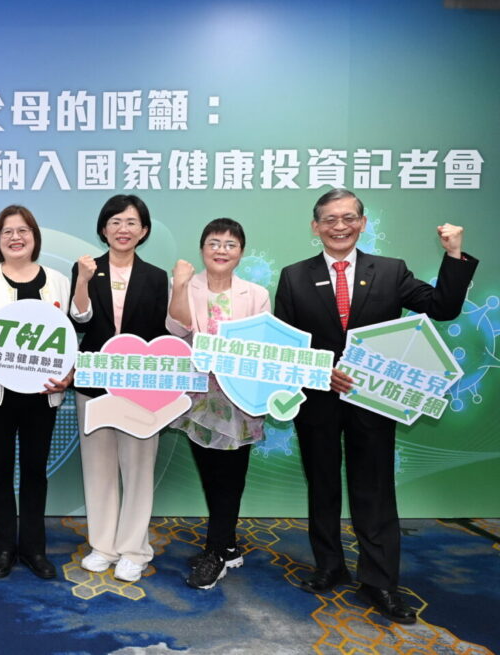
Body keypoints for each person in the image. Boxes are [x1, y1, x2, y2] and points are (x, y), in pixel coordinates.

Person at [274, 188, 476, 624]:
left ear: (363, 223)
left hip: (374, 402)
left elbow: (442, 308)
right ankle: (329, 566)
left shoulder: (389, 270)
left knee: (375, 491)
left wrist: (454, 254)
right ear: (315, 227)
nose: (340, 226)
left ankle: (380, 581)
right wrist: (320, 371)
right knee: (322, 486)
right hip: (319, 399)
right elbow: (286, 345)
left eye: (349, 218)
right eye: (330, 219)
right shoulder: (294, 276)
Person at [0, 206, 72, 580]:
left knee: (36, 471)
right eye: (7, 231)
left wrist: (69, 372)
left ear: (35, 236)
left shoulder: (58, 280)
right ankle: (4, 547)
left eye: (23, 230)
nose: (15, 237)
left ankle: (34, 549)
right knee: (0, 471)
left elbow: (68, 336)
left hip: (43, 392)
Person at [70, 194, 170, 583]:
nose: (122, 229)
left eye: (131, 222)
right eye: (115, 222)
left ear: (143, 230)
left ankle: (133, 549)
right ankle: (103, 546)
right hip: (94, 382)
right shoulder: (86, 268)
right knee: (98, 468)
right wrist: (82, 280)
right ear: (103, 228)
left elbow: (163, 334)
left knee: (138, 467)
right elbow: (79, 320)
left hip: (140, 386)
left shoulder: (156, 277)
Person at [165, 218, 270, 590]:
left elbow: (261, 344)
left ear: (241, 252)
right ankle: (226, 544)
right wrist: (180, 284)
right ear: (202, 249)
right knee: (210, 474)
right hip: (198, 396)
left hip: (238, 398)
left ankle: (216, 553)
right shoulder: (186, 286)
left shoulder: (255, 294)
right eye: (214, 243)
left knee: (230, 478)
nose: (221, 250)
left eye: (230, 244)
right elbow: (176, 329)